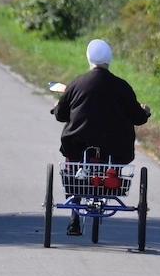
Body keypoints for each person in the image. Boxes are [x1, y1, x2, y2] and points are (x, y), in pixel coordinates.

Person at [52, 39, 151, 235]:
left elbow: (61, 115)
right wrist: (144, 111)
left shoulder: (76, 84)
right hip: (115, 149)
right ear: (110, 59)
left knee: (73, 165)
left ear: (88, 58)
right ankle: (109, 182)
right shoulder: (122, 87)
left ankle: (74, 216)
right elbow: (138, 118)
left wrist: (58, 107)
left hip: (78, 145)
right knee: (111, 164)